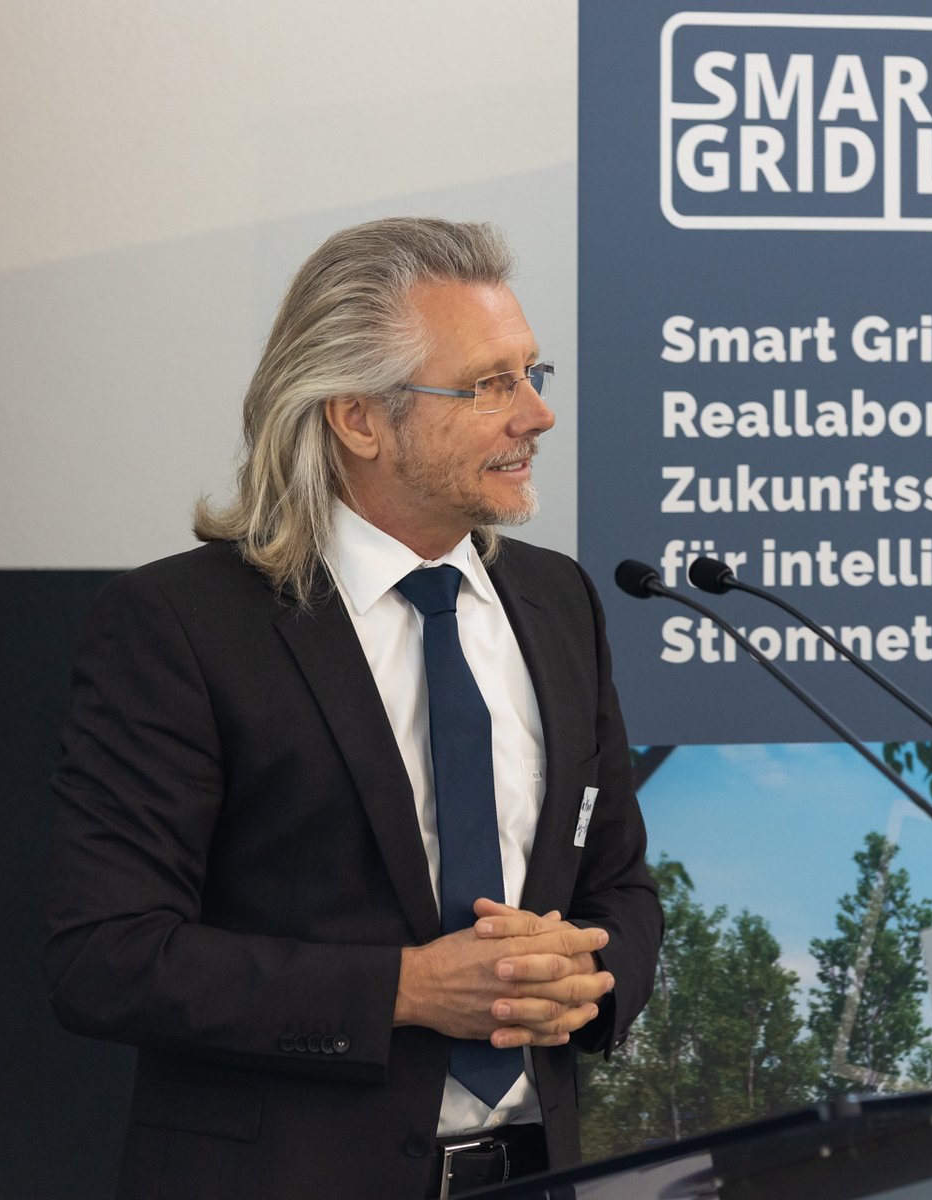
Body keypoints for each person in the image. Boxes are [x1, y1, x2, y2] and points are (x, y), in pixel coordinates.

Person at [45, 218, 662, 1200]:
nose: (537, 415)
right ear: (359, 419)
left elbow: (620, 889)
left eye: (532, 373)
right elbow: (108, 957)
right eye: (488, 385)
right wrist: (407, 991)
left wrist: (587, 978)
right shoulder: (181, 626)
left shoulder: (560, 603)